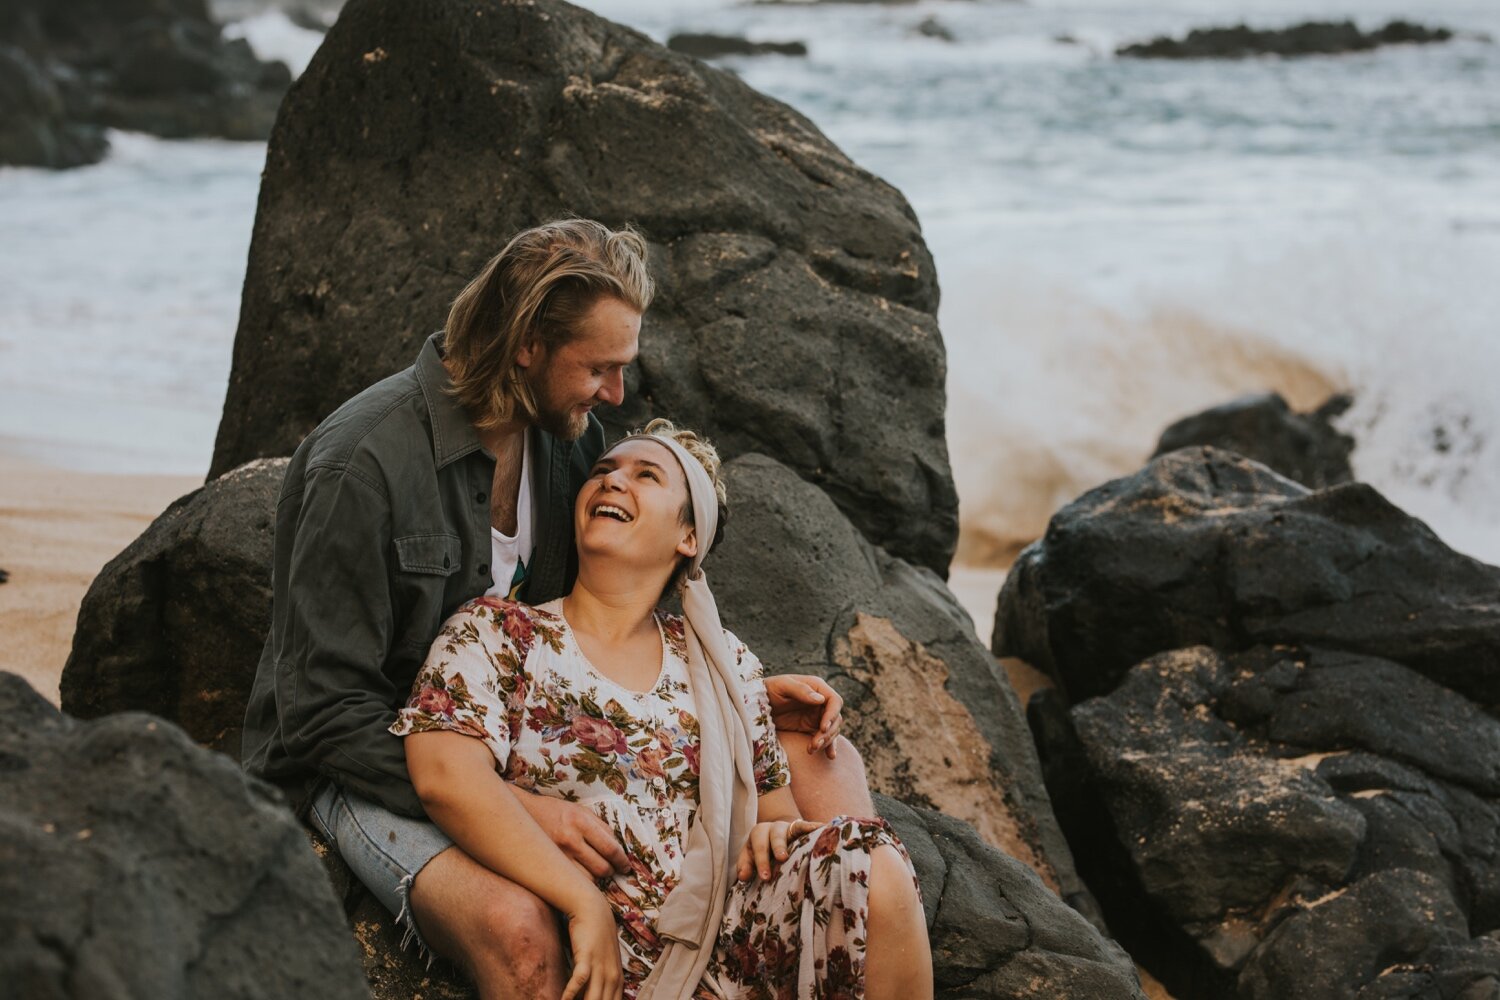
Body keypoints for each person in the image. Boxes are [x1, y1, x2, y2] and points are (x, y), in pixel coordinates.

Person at [240, 219, 874, 992]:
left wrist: (715, 695)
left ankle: (857, 941)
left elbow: (598, 615)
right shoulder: (364, 463)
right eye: (600, 368)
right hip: (362, 770)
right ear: (528, 345)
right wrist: (513, 807)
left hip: (515, 736)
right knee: (522, 931)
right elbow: (322, 714)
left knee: (820, 752)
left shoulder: (567, 442)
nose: (615, 393)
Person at [393, 420, 934, 999]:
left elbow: (775, 815)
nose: (612, 482)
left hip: (732, 930)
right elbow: (445, 777)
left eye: (645, 476)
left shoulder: (725, 661)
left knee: (869, 861)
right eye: (602, 472)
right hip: (605, 941)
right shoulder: (499, 631)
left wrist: (775, 833)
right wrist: (582, 906)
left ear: (688, 537)